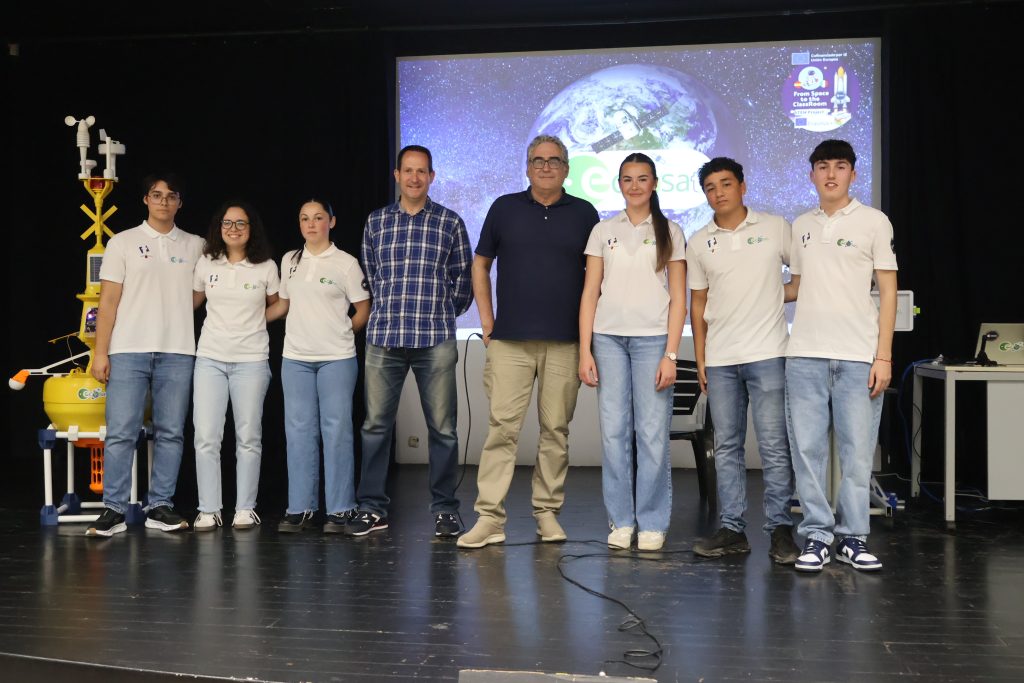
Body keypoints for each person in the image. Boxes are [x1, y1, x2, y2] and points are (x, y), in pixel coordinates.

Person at [458, 135, 599, 549]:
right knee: (502, 429)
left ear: (567, 168)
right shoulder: (504, 208)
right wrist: (487, 322)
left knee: (555, 430)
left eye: (554, 161)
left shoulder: (585, 214)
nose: (545, 167)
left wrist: (588, 340)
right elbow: (480, 265)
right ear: (527, 167)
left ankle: (546, 513)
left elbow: (596, 279)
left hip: (565, 342)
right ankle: (489, 518)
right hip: (510, 342)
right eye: (538, 160)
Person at [341, 145, 473, 537]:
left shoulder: (450, 222)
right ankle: (372, 507)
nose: (415, 177)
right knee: (375, 427)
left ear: (432, 177)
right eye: (408, 171)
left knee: (443, 429)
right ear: (397, 176)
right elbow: (371, 276)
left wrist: (442, 311)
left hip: (435, 339)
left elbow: (463, 279)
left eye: (422, 171)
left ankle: (445, 509)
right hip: (385, 338)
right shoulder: (377, 221)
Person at [786, 140, 897, 572]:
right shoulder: (801, 225)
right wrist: (744, 295)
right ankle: (817, 535)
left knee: (857, 452)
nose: (830, 174)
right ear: (811, 174)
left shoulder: (874, 222)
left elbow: (887, 291)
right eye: (822, 166)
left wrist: (883, 356)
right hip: (805, 354)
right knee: (807, 452)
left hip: (857, 355)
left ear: (854, 173)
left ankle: (853, 536)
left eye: (840, 166)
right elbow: (797, 286)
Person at [687, 157, 801, 564]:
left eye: (725, 184)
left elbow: (801, 280)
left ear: (742, 186)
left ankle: (780, 530)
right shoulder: (699, 241)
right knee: (727, 447)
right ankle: (732, 529)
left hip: (769, 354)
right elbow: (697, 303)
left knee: (774, 446)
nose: (718, 193)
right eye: (710, 187)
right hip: (721, 359)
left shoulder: (775, 227)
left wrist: (769, 295)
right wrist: (701, 358)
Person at [578, 153, 686, 552]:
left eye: (642, 178)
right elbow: (590, 293)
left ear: (654, 183)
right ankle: (621, 520)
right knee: (614, 434)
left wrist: (671, 354)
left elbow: (679, 299)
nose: (635, 185)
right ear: (619, 184)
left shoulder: (670, 230)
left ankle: (653, 522)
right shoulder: (603, 230)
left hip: (653, 341)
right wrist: (585, 351)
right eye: (628, 178)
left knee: (653, 435)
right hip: (607, 340)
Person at [86, 173, 205, 537]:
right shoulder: (123, 242)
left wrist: (174, 309)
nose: (163, 201)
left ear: (179, 202)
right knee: (121, 432)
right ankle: (114, 509)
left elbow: (200, 293)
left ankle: (160, 506)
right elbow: (108, 301)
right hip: (128, 349)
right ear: (146, 200)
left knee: (171, 432)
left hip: (177, 351)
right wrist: (100, 353)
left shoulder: (196, 245)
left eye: (171, 196)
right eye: (156, 195)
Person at [266, 199, 371, 533]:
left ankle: (340, 509)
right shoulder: (290, 260)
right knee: (298, 431)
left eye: (318, 218)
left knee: (336, 431)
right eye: (304, 219)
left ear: (332, 222)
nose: (311, 224)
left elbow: (363, 309)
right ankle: (302, 508)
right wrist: (245, 320)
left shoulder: (346, 263)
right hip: (295, 358)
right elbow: (283, 303)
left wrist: (343, 332)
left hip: (336, 359)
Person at [191, 201, 280, 531]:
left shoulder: (265, 266)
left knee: (248, 437)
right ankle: (208, 510)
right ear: (219, 228)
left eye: (241, 223)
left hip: (251, 360)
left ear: (251, 229)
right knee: (206, 437)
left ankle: (245, 508)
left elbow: (279, 304)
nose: (234, 229)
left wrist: (255, 321)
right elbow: (192, 301)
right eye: (227, 223)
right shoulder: (206, 262)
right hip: (210, 359)